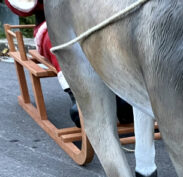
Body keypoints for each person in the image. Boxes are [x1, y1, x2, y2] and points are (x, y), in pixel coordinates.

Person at [4, 0, 133, 127]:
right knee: (61, 44)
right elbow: (22, 8)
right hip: (50, 25)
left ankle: (119, 95)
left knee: (105, 41)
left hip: (87, 22)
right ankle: (79, 97)